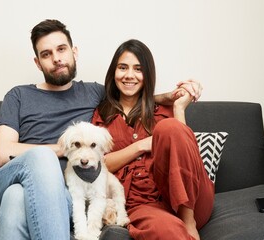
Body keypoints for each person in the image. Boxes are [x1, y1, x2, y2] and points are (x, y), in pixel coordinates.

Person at [0, 19, 203, 240]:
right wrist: (64, 149)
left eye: (61, 49)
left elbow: (131, 95)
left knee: (16, 198)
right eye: (46, 54)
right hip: (4, 183)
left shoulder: (94, 94)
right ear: (38, 63)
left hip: (60, 194)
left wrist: (170, 96)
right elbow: (3, 154)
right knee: (39, 160)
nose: (57, 58)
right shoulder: (19, 95)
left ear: (74, 52)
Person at [92, 39, 214, 240]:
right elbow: (99, 165)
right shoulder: (102, 116)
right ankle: (181, 227)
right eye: (123, 67)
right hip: (143, 204)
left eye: (138, 69)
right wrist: (140, 146)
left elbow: (184, 148)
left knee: (170, 127)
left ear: (147, 75)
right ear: (113, 72)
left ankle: (188, 220)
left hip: (192, 199)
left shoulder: (163, 110)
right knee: (168, 232)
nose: (129, 75)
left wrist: (178, 108)